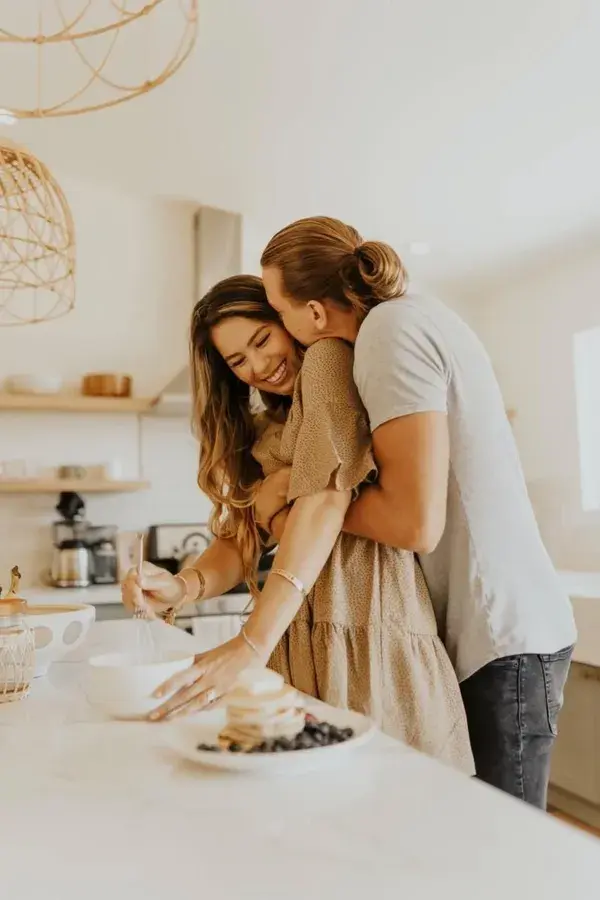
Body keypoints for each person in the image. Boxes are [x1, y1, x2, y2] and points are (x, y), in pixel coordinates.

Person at [255, 215, 577, 809]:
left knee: (501, 848)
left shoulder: (388, 333)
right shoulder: (417, 317)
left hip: (501, 635)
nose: (282, 330)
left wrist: (303, 498)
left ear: (315, 315)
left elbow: (412, 523)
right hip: (506, 629)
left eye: (280, 312)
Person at [122, 275, 474, 774]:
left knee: (395, 807)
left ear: (288, 322)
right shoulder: (268, 429)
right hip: (295, 635)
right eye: (238, 362)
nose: (260, 367)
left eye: (262, 340)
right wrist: (182, 585)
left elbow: (326, 501)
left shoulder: (329, 362)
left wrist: (250, 639)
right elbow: (240, 540)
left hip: (369, 626)